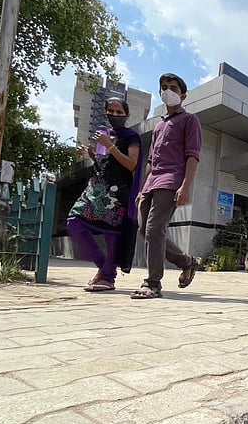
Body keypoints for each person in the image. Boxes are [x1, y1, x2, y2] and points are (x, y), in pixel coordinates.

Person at [131, 73, 204, 299]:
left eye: (172, 87)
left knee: (154, 229)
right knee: (146, 230)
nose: (167, 91)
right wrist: (142, 188)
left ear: (183, 95)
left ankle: (152, 283)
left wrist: (185, 186)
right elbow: (151, 161)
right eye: (164, 87)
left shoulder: (189, 120)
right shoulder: (158, 126)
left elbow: (193, 155)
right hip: (152, 183)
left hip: (172, 180)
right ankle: (187, 261)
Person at [67, 97, 143, 292]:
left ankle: (108, 278)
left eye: (119, 112)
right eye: (111, 111)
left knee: (111, 234)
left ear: (127, 115)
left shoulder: (131, 136)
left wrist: (110, 145)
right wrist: (92, 154)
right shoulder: (104, 134)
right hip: (95, 188)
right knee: (74, 222)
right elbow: (105, 162)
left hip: (116, 192)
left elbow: (131, 164)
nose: (115, 115)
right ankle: (104, 267)